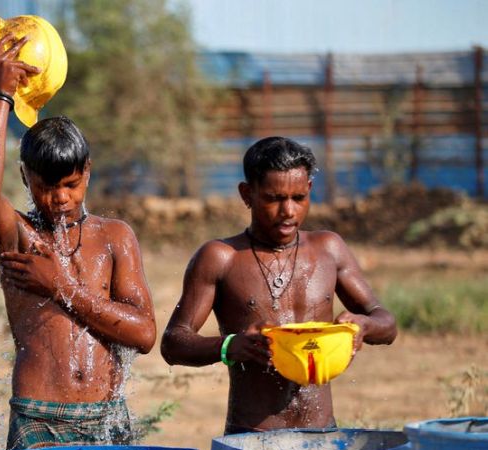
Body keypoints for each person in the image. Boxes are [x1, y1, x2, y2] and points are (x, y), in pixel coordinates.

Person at [0, 35, 156, 450]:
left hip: (106, 414)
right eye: (46, 187)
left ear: (87, 172)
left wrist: (61, 286)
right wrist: (0, 95)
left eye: (71, 185)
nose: (60, 198)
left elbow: (144, 335)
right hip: (39, 415)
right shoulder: (20, 236)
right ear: (24, 179)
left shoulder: (114, 237)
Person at [160, 136, 397, 434]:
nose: (288, 211)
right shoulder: (221, 257)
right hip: (252, 435)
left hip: (322, 432)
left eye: (298, 198)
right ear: (247, 194)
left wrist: (363, 326)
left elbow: (386, 323)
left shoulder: (329, 249)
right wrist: (231, 346)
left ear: (310, 190)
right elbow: (173, 343)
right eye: (274, 199)